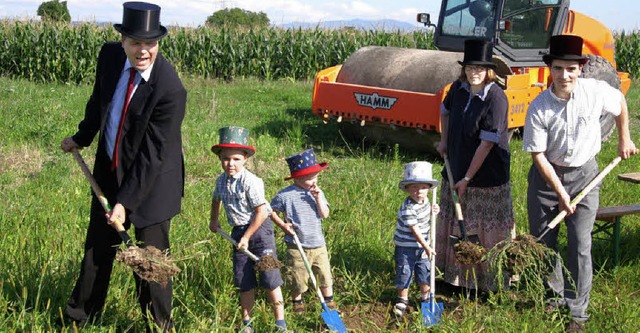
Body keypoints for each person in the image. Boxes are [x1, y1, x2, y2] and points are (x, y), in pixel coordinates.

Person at [60, 2, 185, 331]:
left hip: (152, 182)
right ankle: (79, 317)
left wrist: (125, 204)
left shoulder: (170, 89)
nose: (143, 51)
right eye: (135, 43)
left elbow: (152, 154)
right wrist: (82, 137)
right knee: (97, 249)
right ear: (123, 41)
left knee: (149, 262)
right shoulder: (110, 57)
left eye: (150, 44)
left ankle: (159, 327)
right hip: (110, 170)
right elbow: (98, 100)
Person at [522, 35, 638, 332]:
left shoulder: (596, 91)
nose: (565, 76)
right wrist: (561, 193)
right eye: (559, 68)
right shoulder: (538, 107)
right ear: (550, 69)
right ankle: (554, 295)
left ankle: (578, 313)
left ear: (580, 69)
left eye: (571, 69)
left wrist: (624, 137)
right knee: (544, 242)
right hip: (547, 180)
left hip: (586, 175)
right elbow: (539, 157)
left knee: (580, 244)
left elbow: (621, 102)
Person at [435, 39, 515, 291]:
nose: (474, 73)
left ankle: (488, 282)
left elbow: (487, 144)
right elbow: (444, 111)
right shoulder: (458, 89)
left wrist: (467, 179)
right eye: (470, 67)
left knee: (481, 228)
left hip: (486, 175)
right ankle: (455, 279)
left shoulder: (496, 99)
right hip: (456, 165)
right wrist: (444, 141)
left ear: (489, 71)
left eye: (479, 68)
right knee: (457, 223)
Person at [208, 126, 291, 333]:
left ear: (246, 158)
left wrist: (247, 236)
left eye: (236, 159)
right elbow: (215, 199)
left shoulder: (251, 182)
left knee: (269, 275)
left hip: (259, 231)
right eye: (226, 159)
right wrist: (214, 220)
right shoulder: (221, 181)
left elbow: (262, 212)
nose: (230, 164)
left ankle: (280, 323)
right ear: (220, 158)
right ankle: (247, 324)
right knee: (244, 279)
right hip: (238, 231)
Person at [269, 148, 335, 314]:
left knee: (324, 274)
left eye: (316, 177)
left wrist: (319, 197)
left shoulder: (317, 193)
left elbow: (325, 214)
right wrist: (282, 225)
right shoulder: (286, 195)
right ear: (297, 178)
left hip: (318, 243)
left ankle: (329, 301)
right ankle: (297, 300)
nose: (314, 181)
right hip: (296, 246)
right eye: (309, 178)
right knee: (298, 276)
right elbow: (271, 211)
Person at [392, 161, 440, 318]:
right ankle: (402, 299)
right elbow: (415, 232)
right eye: (414, 187)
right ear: (407, 188)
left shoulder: (426, 201)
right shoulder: (407, 208)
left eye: (423, 187)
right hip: (407, 246)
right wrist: (427, 246)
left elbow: (427, 215)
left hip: (424, 246)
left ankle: (426, 296)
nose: (419, 191)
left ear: (428, 188)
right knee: (404, 271)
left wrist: (434, 209)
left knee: (424, 270)